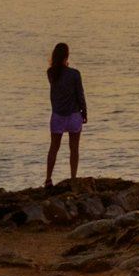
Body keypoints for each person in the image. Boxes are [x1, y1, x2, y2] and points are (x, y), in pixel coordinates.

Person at [45, 42, 87, 188]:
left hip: (58, 115)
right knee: (74, 149)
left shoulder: (51, 73)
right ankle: (73, 178)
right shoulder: (75, 74)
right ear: (67, 56)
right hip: (74, 115)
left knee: (53, 148)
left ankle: (48, 179)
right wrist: (84, 112)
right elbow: (80, 94)